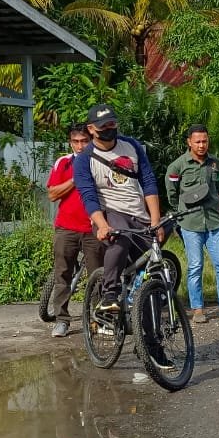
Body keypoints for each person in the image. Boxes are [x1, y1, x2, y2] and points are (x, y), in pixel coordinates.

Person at [72, 103, 162, 313]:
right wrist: (102, 225)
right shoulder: (84, 160)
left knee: (156, 253)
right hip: (110, 214)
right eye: (103, 126)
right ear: (91, 129)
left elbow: (148, 182)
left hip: (138, 214)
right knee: (120, 239)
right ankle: (109, 294)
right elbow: (89, 197)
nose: (108, 129)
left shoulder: (131, 146)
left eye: (111, 124)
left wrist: (155, 220)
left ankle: (149, 322)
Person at [166, 124, 219, 324]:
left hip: (213, 222)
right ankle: (198, 310)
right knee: (195, 267)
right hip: (190, 223)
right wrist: (180, 210)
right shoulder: (177, 166)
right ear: (189, 142)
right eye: (197, 142)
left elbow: (218, 185)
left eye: (205, 141)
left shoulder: (216, 164)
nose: (201, 145)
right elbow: (171, 192)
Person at [45, 123, 104, 338]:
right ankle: (62, 320)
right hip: (66, 228)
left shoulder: (101, 161)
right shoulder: (63, 163)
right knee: (62, 274)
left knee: (97, 275)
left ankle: (99, 319)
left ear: (91, 140)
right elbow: (52, 194)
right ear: (70, 143)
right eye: (75, 142)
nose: (80, 146)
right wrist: (75, 178)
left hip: (94, 228)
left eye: (84, 141)